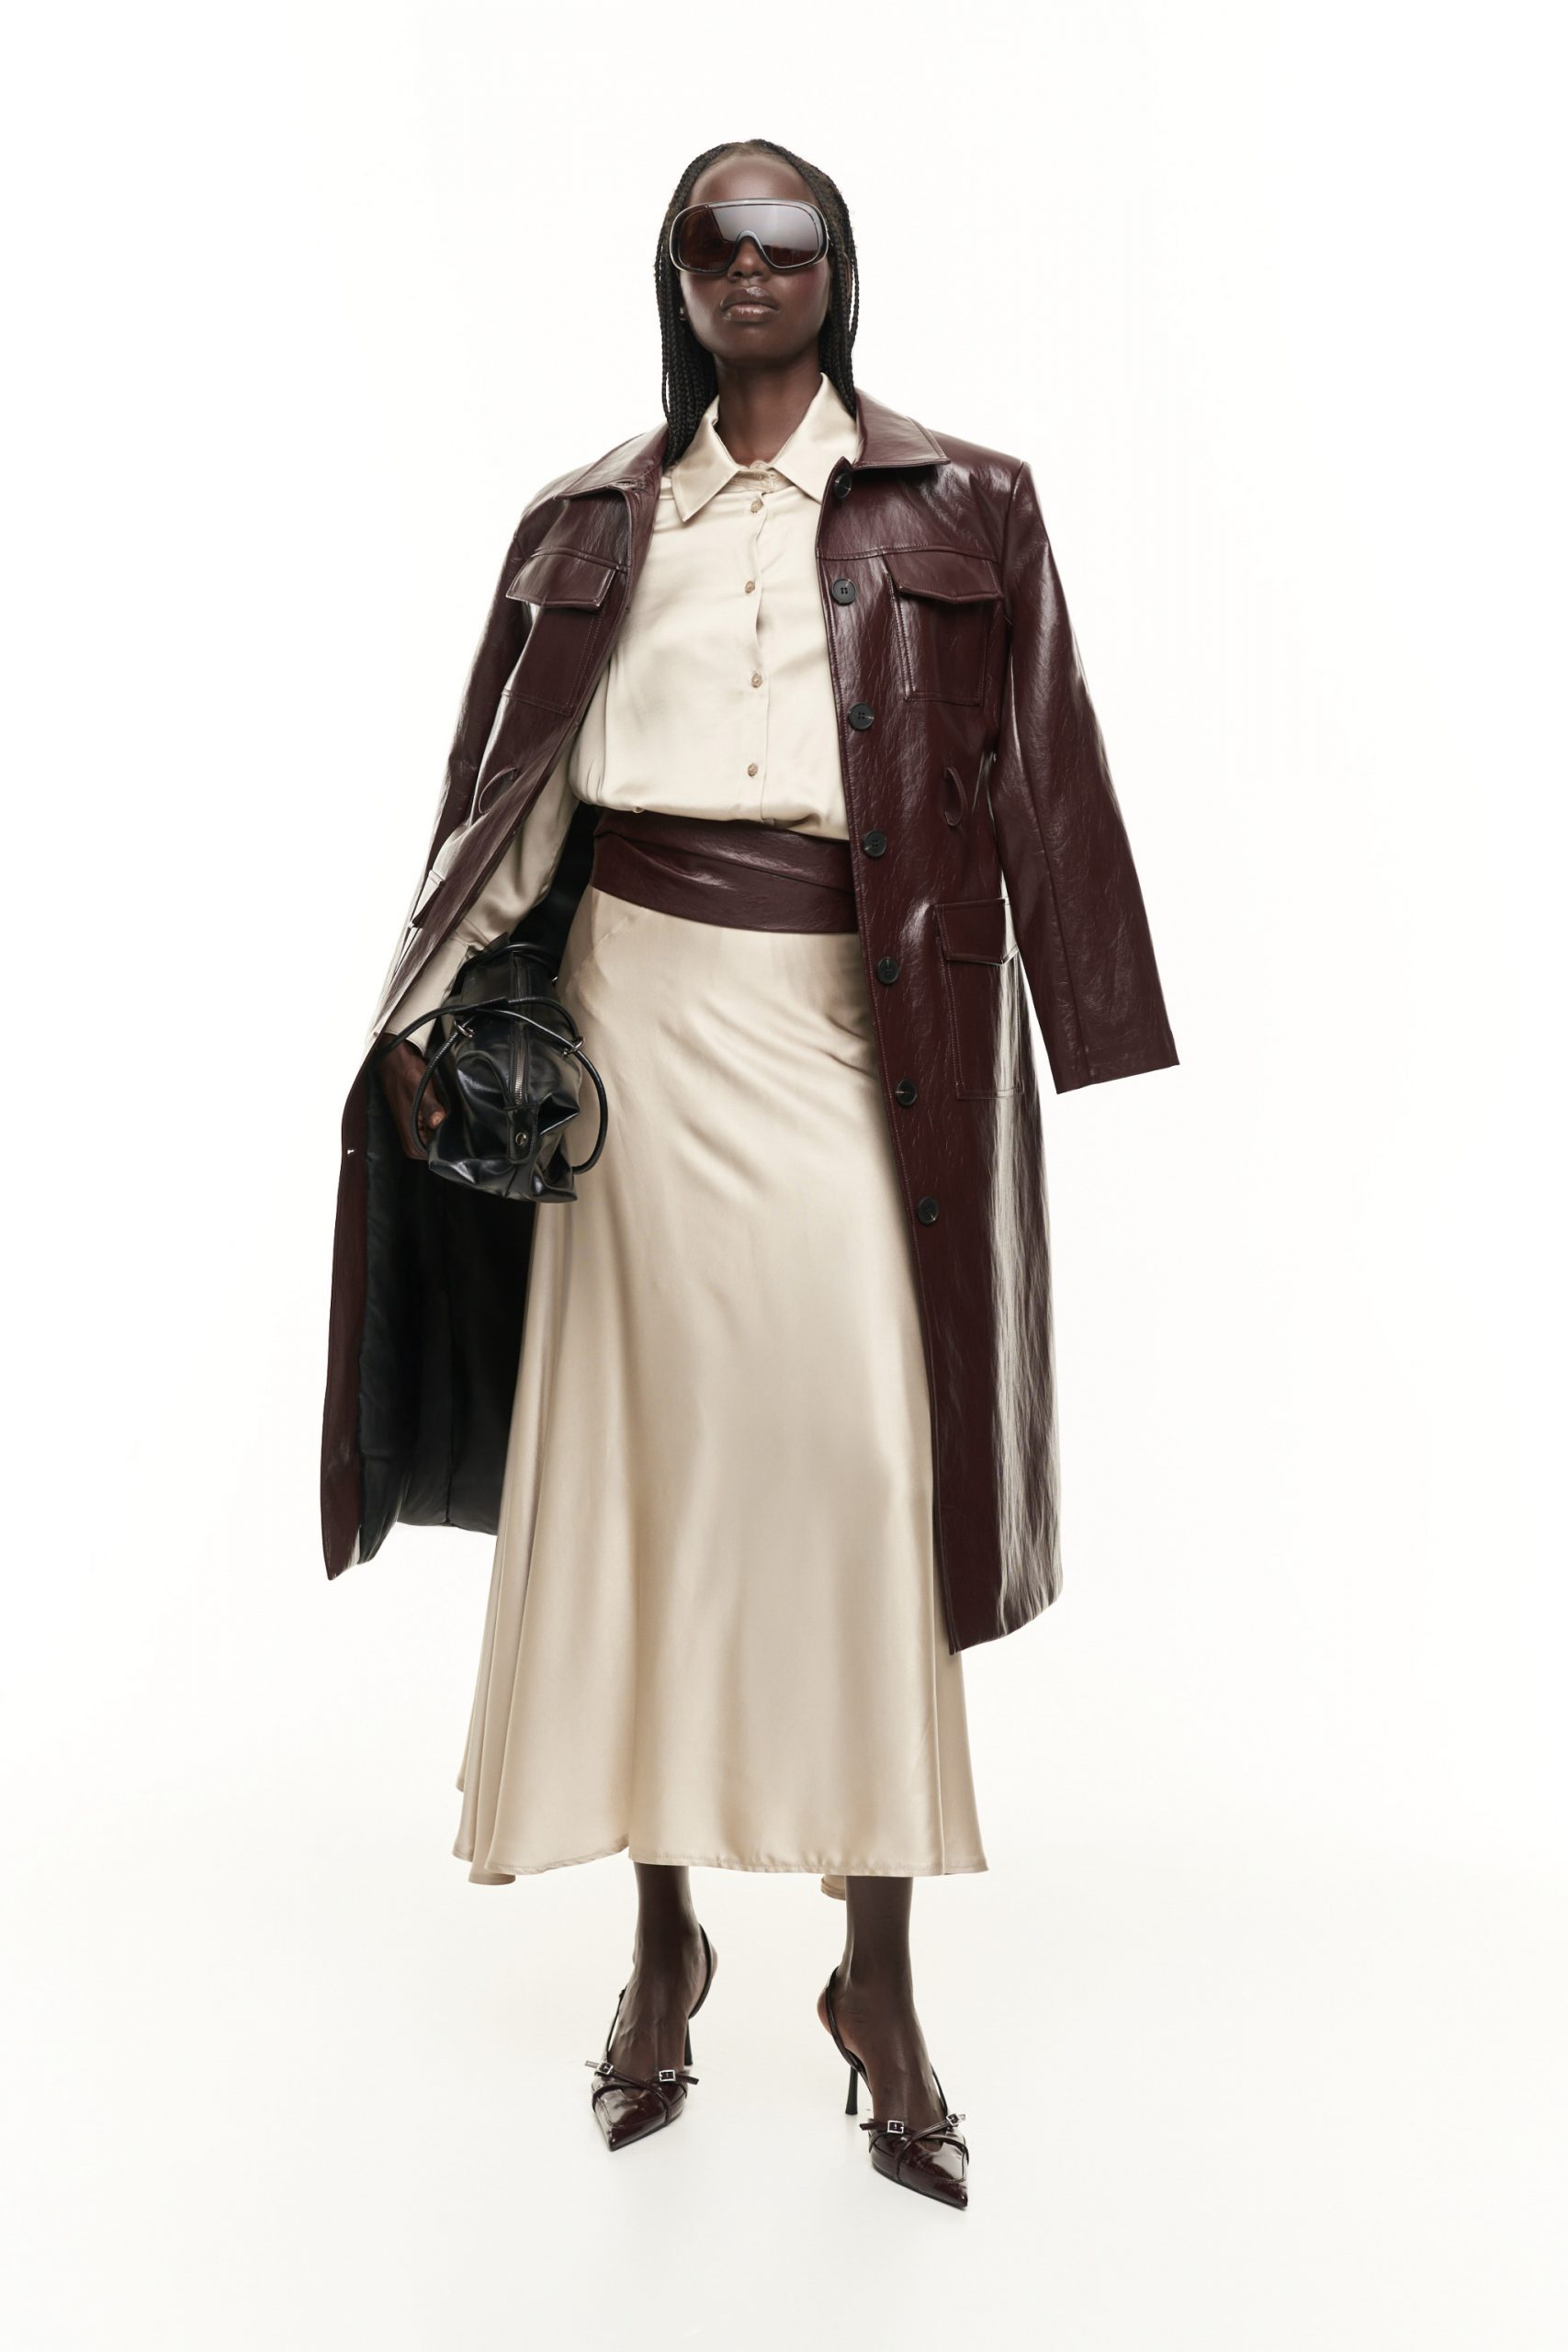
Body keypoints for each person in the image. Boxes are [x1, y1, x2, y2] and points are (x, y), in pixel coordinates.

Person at [321, 137, 1178, 2212]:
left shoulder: (965, 502)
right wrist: (416, 1014)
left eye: (783, 235)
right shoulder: (590, 519)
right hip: (627, 1035)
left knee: (872, 1485)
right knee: (653, 1491)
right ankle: (662, 1952)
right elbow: (510, 798)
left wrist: (1095, 1008)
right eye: (710, 238)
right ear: (676, 279)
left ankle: (877, 1982)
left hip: (865, 1043)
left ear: (836, 267)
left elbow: (1042, 763)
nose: (747, 264)